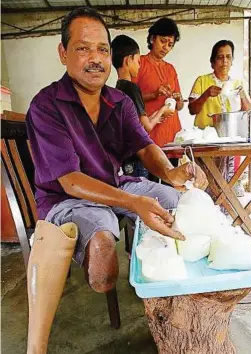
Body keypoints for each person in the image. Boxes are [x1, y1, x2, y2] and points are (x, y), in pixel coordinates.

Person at [25, 7, 207, 353]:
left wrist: (170, 173)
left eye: (103, 50)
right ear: (63, 53)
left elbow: (145, 145)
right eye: (83, 48)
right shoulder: (47, 105)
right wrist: (132, 203)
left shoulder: (118, 100)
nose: (96, 59)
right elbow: (70, 181)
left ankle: (179, 303)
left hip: (116, 183)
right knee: (103, 248)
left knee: (183, 204)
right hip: (68, 198)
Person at [188, 39, 251, 196]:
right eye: (220, 57)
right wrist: (205, 95)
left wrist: (243, 95)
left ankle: (224, 214)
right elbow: (192, 109)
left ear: (232, 61)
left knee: (226, 183)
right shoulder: (202, 81)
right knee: (205, 184)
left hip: (229, 142)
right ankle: (206, 214)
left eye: (228, 57)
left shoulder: (237, 84)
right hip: (205, 143)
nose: (225, 61)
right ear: (212, 62)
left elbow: (249, 109)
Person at [112, 34, 171, 177]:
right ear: (128, 60)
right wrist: (163, 110)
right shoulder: (132, 88)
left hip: (126, 160)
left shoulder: (117, 89)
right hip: (138, 158)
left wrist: (155, 116)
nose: (139, 65)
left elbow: (135, 123)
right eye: (138, 61)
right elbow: (145, 127)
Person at [134, 17, 184, 148]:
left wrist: (178, 99)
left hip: (172, 135)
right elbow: (129, 99)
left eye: (170, 45)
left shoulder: (170, 69)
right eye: (163, 41)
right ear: (152, 39)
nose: (166, 48)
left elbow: (179, 106)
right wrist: (154, 95)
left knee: (173, 168)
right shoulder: (139, 63)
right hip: (150, 134)